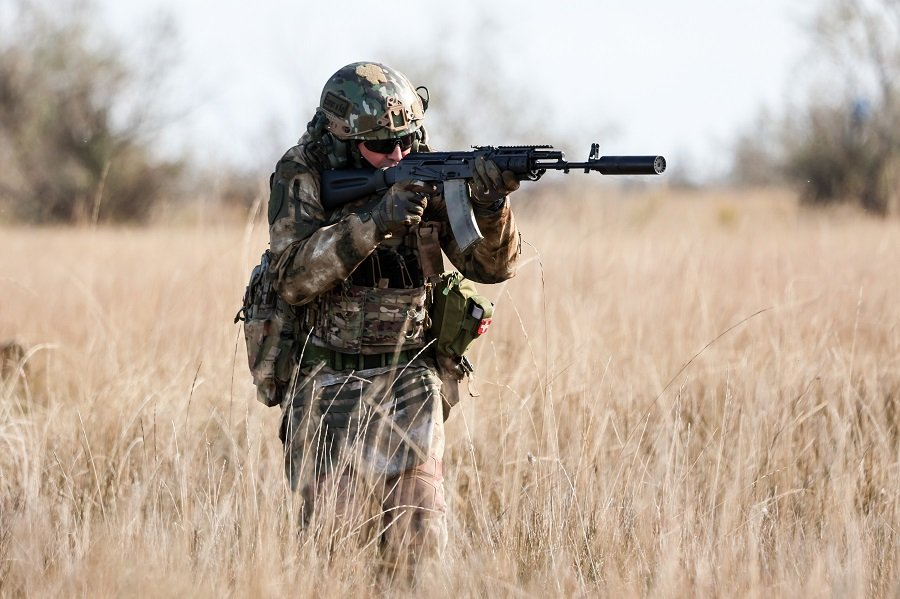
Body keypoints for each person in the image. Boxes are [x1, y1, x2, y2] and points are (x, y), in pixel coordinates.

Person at [266, 62, 520, 571]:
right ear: (343, 138)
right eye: (383, 147)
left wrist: (490, 206)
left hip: (412, 379)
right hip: (328, 378)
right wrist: (375, 222)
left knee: (421, 543)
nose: (399, 155)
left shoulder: (428, 171)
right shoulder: (305, 171)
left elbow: (491, 267)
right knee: (334, 550)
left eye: (406, 140)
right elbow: (291, 280)